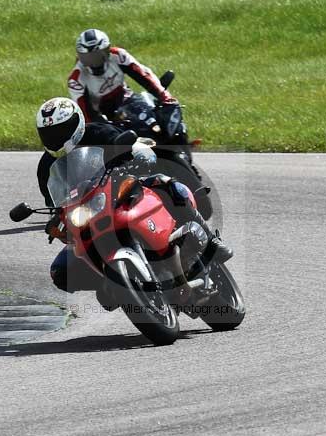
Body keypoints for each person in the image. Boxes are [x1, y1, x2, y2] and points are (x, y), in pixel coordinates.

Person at [33, 97, 231, 297]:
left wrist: (140, 155)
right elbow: (54, 203)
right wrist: (56, 221)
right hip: (90, 217)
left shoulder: (99, 132)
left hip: (122, 191)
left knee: (166, 184)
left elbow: (133, 146)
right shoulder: (45, 166)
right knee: (60, 271)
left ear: (77, 122)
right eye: (48, 133)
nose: (55, 138)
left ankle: (210, 242)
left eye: (60, 130)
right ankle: (115, 284)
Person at [68, 28, 178, 123]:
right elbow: (84, 113)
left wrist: (164, 95)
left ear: (107, 50)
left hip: (127, 99)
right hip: (103, 116)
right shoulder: (76, 79)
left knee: (155, 116)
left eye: (98, 55)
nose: (94, 62)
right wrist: (100, 125)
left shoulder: (118, 55)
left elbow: (144, 75)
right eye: (88, 58)